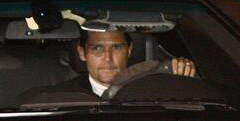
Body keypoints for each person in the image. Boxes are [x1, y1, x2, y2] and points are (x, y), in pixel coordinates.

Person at [17, 30, 197, 102]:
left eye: (116, 47)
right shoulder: (57, 97)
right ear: (82, 53)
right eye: (97, 48)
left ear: (129, 50)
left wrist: (182, 76)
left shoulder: (153, 89)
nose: (107, 58)